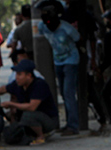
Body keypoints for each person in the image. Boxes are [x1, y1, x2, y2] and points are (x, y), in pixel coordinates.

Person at [0, 59, 58, 145]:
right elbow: (3, 89)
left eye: (19, 74)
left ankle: (41, 136)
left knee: (28, 115)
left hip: (48, 120)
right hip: (34, 118)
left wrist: (11, 104)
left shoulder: (39, 85)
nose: (16, 77)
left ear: (29, 75)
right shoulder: (18, 85)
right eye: (16, 74)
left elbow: (32, 107)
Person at [38, 4, 81, 135]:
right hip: (58, 61)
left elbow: (78, 39)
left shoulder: (66, 28)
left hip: (71, 61)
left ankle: (73, 126)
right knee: (63, 92)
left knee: (68, 92)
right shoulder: (42, 26)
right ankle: (68, 122)